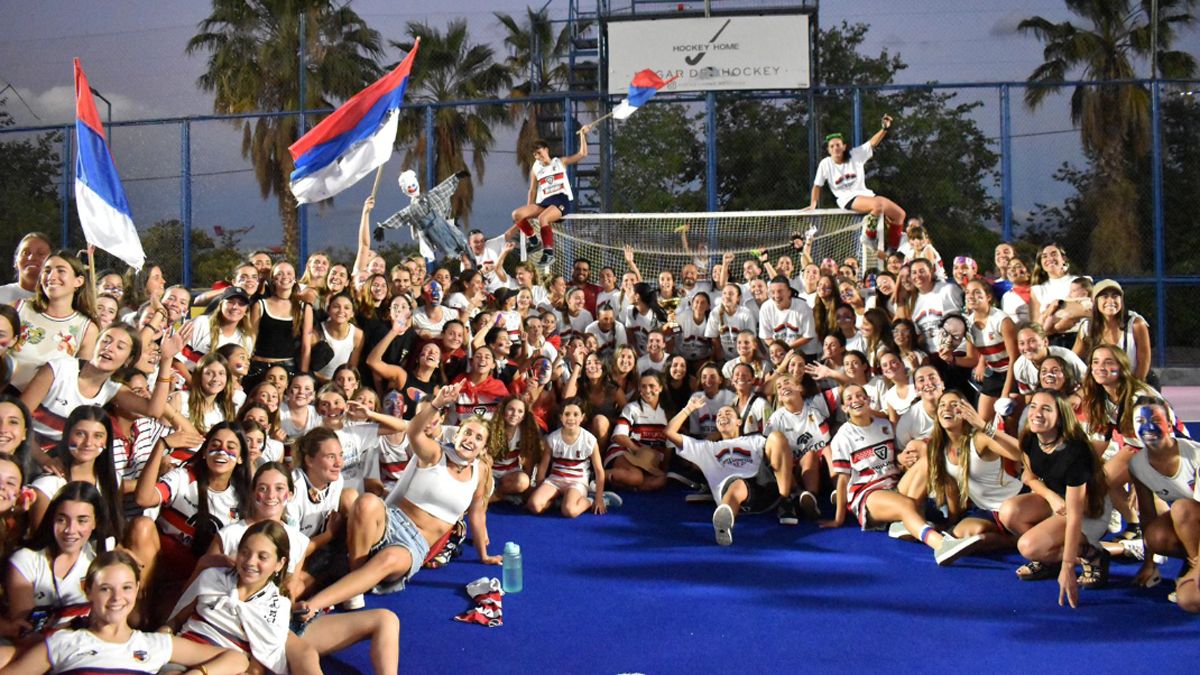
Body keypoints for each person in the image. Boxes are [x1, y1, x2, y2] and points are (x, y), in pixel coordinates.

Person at [293, 383, 500, 615]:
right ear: (457, 434)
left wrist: (484, 555)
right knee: (367, 501)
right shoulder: (435, 453)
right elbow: (413, 432)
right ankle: (355, 585)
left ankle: (313, 604)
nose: (471, 439)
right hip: (391, 520)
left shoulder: (481, 472)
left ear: (483, 447)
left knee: (389, 558)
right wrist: (436, 404)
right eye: (467, 432)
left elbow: (477, 513)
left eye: (478, 437)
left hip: (414, 544)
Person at [0, 550, 247, 674]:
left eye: (126, 588)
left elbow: (236, 659)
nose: (117, 598)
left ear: (137, 589)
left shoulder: (154, 644)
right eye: (105, 589)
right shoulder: (64, 642)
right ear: (88, 591)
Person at [821, 384, 984, 566]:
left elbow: (896, 457)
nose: (855, 400)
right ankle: (941, 545)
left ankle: (911, 523)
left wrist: (901, 459)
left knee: (928, 461)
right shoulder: (842, 437)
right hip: (867, 494)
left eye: (859, 395)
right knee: (906, 505)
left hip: (894, 486)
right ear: (844, 408)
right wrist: (838, 519)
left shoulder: (884, 426)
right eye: (849, 398)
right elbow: (842, 480)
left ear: (868, 400)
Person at [998, 390, 1113, 607]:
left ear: (1060, 417)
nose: (1036, 413)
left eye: (1046, 409)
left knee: (1028, 547)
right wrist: (1051, 497)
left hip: (1088, 511)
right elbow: (1029, 477)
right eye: (1033, 406)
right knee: (1009, 512)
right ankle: (1048, 558)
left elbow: (1075, 515)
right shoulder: (1031, 438)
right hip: (1058, 501)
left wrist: (1068, 566)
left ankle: (1092, 554)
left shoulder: (1075, 452)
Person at [666, 397, 797, 545]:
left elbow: (781, 455)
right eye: (719, 415)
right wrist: (688, 409)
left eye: (728, 413)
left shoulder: (755, 440)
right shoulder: (708, 448)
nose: (723, 416)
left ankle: (786, 500)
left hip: (763, 488)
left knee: (777, 437)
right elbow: (669, 432)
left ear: (739, 422)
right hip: (734, 492)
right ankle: (724, 523)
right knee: (738, 484)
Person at [5, 482, 114, 635]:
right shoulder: (25, 560)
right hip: (38, 646)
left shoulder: (101, 559)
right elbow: (24, 634)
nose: (70, 530)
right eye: (62, 520)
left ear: (96, 522)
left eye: (82, 520)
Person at [1125, 397, 1200, 601]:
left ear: (1169, 424)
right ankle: (1193, 565)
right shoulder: (1137, 464)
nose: (1148, 427)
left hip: (1191, 516)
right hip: (1193, 522)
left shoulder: (1195, 455)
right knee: (1155, 536)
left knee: (1181, 509)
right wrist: (1149, 563)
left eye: (1156, 420)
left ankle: (1195, 571)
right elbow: (1147, 514)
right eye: (1140, 421)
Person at [806, 115, 906, 250]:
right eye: (832, 146)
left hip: (866, 195)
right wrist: (813, 203)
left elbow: (872, 143)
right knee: (878, 206)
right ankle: (868, 236)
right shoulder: (825, 164)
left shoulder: (855, 155)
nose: (835, 148)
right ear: (828, 150)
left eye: (838, 145)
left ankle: (893, 250)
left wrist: (884, 129)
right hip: (847, 199)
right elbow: (817, 185)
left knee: (900, 214)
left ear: (844, 147)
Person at [9, 252, 100, 391]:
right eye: (47, 271)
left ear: (78, 281)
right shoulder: (18, 308)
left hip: (45, 402)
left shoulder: (87, 329)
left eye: (61, 271)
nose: (51, 277)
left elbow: (79, 381)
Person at [509, 126, 593, 267]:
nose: (537, 156)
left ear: (546, 150)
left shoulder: (560, 162)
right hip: (545, 202)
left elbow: (582, 153)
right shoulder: (536, 168)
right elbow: (532, 190)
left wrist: (583, 135)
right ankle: (534, 242)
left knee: (543, 218)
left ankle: (548, 253)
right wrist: (529, 210)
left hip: (561, 199)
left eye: (539, 152)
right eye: (535, 154)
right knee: (517, 214)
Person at [526, 399, 616, 518]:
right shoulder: (553, 438)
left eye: (575, 414)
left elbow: (599, 471)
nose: (571, 418)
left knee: (569, 511)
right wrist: (539, 489)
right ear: (561, 417)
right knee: (534, 505)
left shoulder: (589, 440)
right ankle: (558, 500)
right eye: (567, 414)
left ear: (582, 417)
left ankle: (590, 500)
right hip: (555, 480)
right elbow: (543, 467)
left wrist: (598, 498)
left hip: (577, 482)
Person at [1072, 279, 1152, 383]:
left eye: (1115, 296)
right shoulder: (1087, 327)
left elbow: (1143, 363)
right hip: (1101, 385)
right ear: (1095, 301)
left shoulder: (1136, 324)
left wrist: (1132, 388)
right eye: (1104, 296)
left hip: (1134, 382)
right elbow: (1072, 359)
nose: (1110, 301)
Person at [0, 232, 52, 304]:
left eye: (41, 254)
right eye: (25, 253)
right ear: (15, 261)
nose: (32, 258)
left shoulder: (60, 299)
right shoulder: (2, 295)